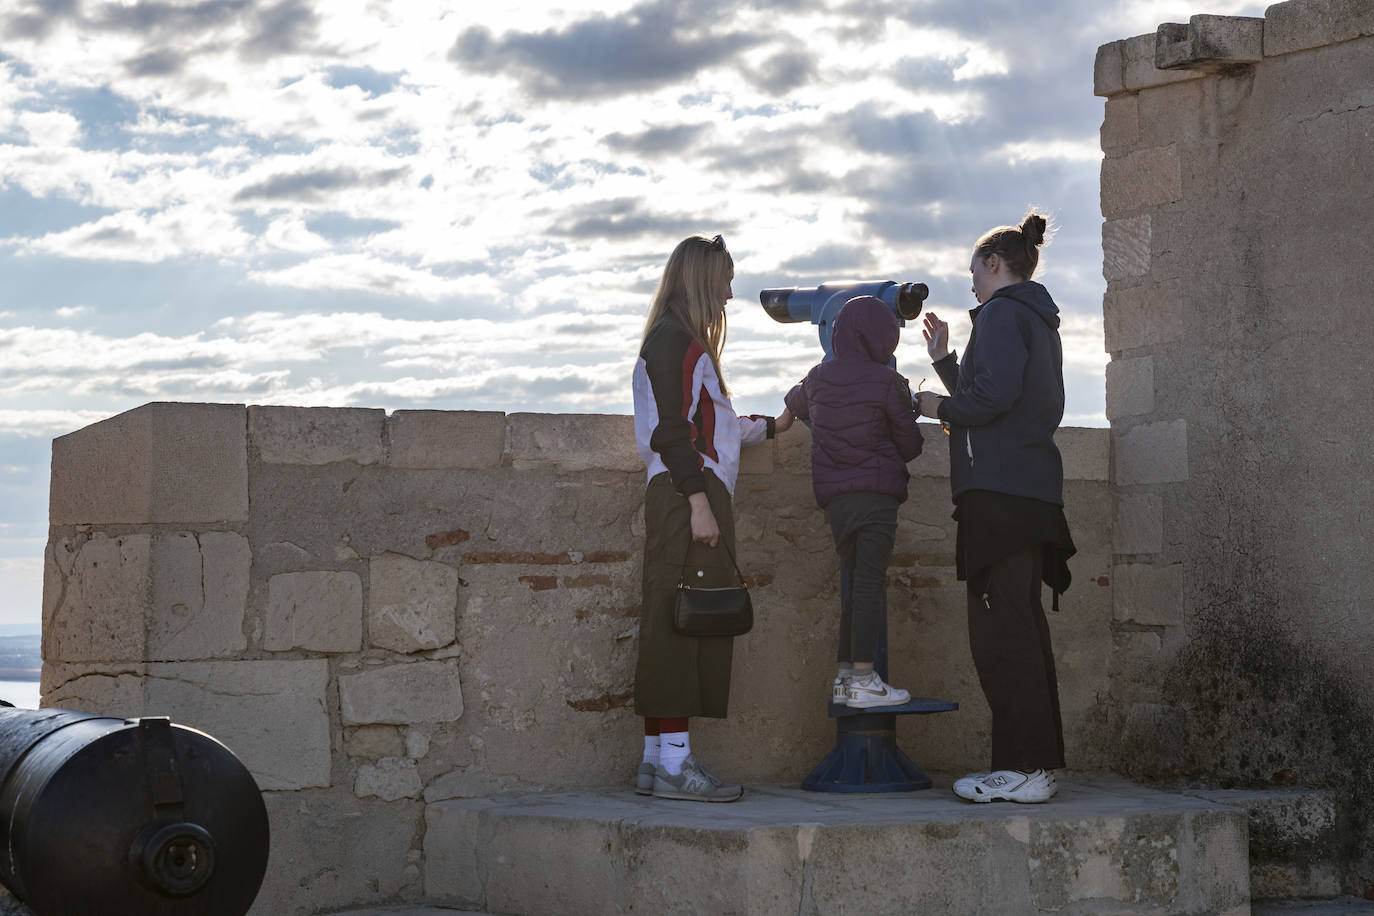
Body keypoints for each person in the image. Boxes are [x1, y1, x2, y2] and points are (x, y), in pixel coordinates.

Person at [915, 211, 1076, 804]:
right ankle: (1037, 766)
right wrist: (945, 361)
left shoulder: (1005, 313)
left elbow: (992, 399)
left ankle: (1024, 767)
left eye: (973, 273)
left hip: (1001, 498)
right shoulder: (1033, 317)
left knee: (1002, 635)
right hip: (1027, 492)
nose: (972, 285)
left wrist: (935, 404)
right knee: (1021, 630)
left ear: (993, 263)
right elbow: (998, 398)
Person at [631, 234, 793, 802]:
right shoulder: (675, 340)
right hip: (687, 494)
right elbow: (672, 432)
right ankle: (675, 766)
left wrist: (778, 422)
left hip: (684, 490)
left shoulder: (677, 341)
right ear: (701, 279)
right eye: (724, 280)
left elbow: (713, 427)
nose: (729, 293)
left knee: (674, 616)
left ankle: (656, 761)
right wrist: (699, 502)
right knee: (685, 622)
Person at [783, 296, 924, 708]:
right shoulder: (886, 382)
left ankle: (846, 679)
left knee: (852, 584)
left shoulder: (817, 378)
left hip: (836, 502)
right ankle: (864, 678)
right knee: (868, 585)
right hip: (877, 498)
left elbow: (794, 404)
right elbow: (911, 445)